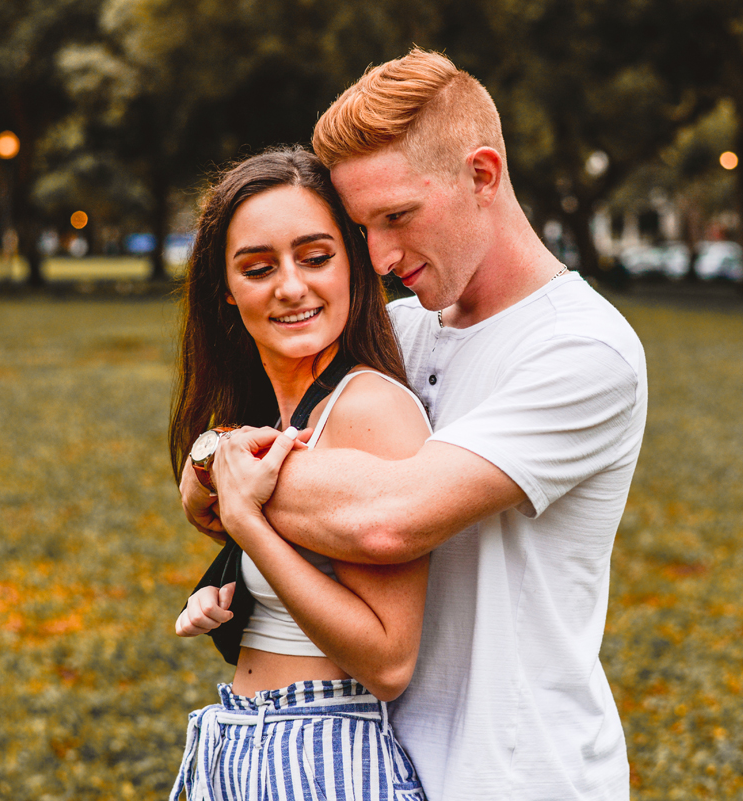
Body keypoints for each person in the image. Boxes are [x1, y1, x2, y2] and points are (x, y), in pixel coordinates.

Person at [181, 49, 648, 801]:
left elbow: (387, 522)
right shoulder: (404, 328)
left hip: (519, 774)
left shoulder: (583, 350)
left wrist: (222, 467)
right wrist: (212, 454)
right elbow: (248, 476)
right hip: (377, 762)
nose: (382, 256)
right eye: (362, 226)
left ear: (482, 175)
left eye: (397, 216)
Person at [167, 146, 432, 801]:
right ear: (226, 291)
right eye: (258, 267)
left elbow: (389, 658)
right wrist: (228, 593)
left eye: (315, 256)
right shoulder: (273, 415)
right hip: (240, 738)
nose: (290, 286)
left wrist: (246, 525)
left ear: (352, 265)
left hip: (322, 754)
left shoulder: (370, 408)